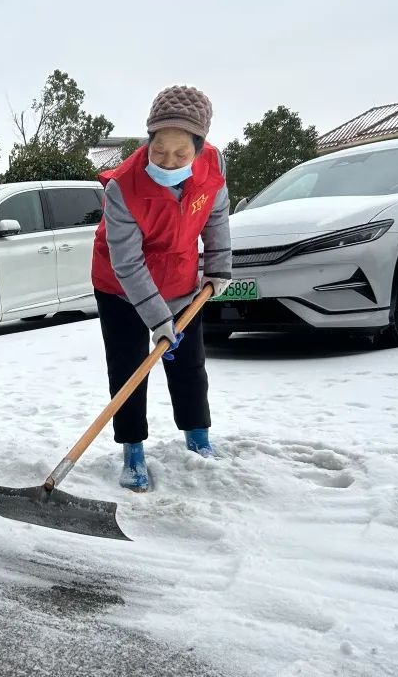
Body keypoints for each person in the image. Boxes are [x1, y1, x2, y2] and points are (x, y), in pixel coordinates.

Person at [91, 85, 233, 492]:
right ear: (147, 141)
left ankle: (198, 437)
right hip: (120, 286)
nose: (168, 161)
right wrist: (158, 319)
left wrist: (219, 267)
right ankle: (132, 449)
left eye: (180, 154)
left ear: (199, 147)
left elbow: (216, 217)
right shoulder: (124, 187)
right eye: (159, 151)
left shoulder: (213, 168)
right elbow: (127, 263)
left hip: (182, 281)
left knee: (188, 364)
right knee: (130, 367)